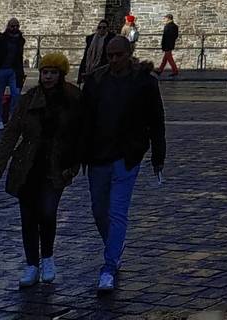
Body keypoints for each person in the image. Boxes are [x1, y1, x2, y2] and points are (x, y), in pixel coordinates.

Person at [79, 35, 166, 294]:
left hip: (127, 155)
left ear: (129, 54)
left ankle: (108, 266)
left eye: (118, 55)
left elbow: (156, 119)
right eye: (110, 55)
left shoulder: (144, 82)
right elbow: (83, 120)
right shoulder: (95, 82)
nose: (114, 60)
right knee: (98, 210)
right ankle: (114, 248)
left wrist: (157, 154)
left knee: (117, 212)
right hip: (97, 154)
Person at [0, 51, 83, 287]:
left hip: (56, 165)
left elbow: (80, 135)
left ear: (60, 75)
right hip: (28, 165)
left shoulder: (73, 98)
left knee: (48, 213)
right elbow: (12, 131)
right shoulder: (29, 98)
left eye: (52, 73)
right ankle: (32, 264)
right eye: (44, 72)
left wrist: (74, 164)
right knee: (28, 217)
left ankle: (48, 258)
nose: (48, 77)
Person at [0, 18, 27, 129]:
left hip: (13, 70)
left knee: (16, 94)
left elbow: (19, 57)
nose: (15, 28)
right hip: (1, 70)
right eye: (12, 26)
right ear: (8, 27)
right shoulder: (1, 39)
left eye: (16, 26)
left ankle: (12, 119)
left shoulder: (20, 40)